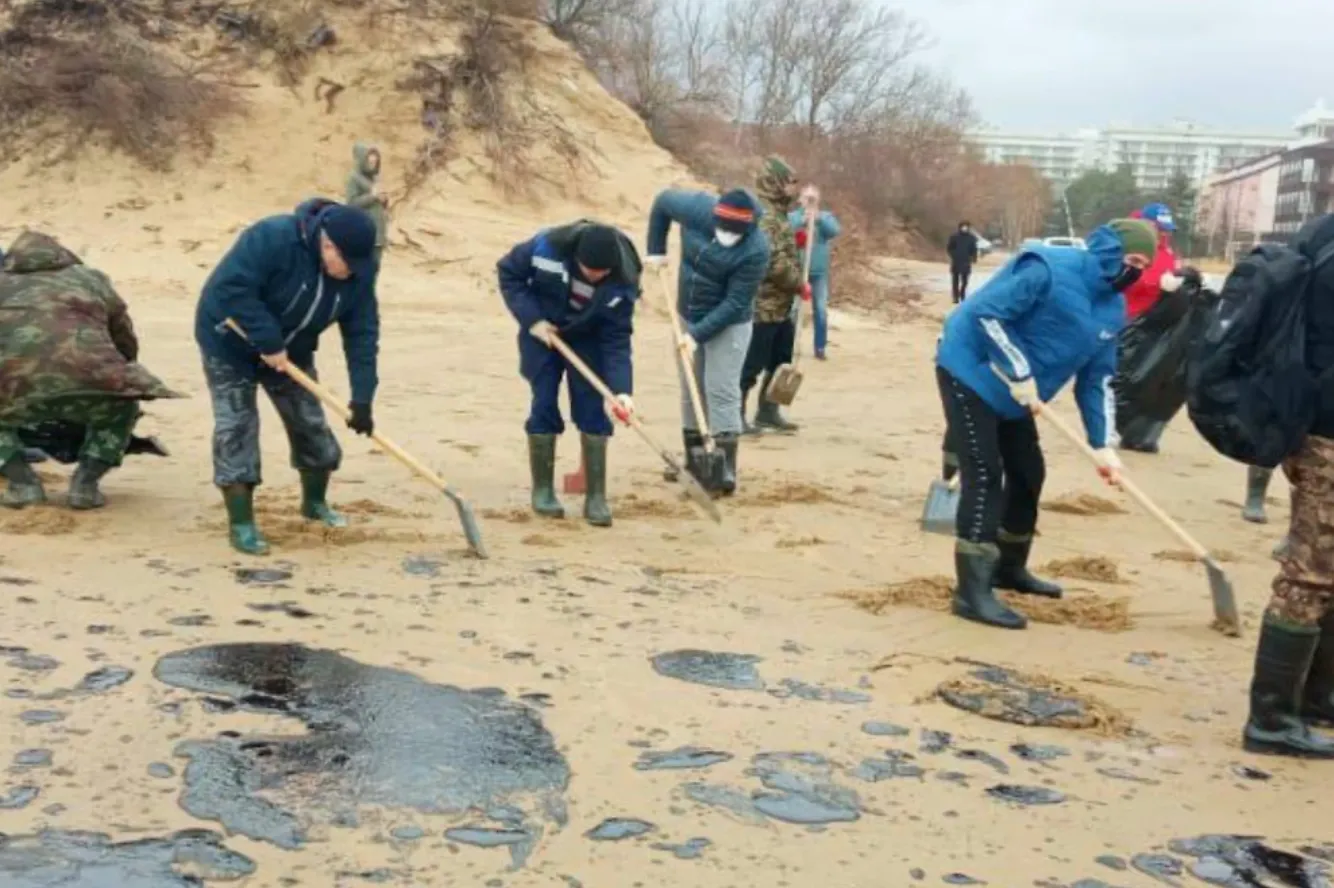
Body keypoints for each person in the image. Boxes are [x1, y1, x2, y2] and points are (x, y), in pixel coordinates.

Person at [934, 218, 1158, 630]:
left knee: (1029, 473)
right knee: (984, 474)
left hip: (1023, 394)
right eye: (1130, 258)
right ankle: (971, 592)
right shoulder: (1048, 268)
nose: (1134, 270)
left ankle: (1008, 568)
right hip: (969, 368)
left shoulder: (1113, 308)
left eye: (1143, 265)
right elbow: (987, 315)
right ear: (1108, 248)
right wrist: (1019, 371)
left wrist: (1103, 443)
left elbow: (1097, 378)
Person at [195, 199, 381, 556]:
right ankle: (242, 523)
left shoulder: (358, 274)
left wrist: (363, 398)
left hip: (292, 351)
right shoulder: (273, 237)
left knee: (310, 423)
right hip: (228, 340)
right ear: (328, 245)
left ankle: (314, 504)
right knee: (237, 426)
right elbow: (230, 288)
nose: (353, 273)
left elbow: (363, 335)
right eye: (348, 264)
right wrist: (267, 339)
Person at [1241, 212, 1334, 758]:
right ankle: (1272, 718)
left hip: (1309, 419)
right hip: (1327, 430)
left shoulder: (1320, 232)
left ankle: (1317, 698)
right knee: (1313, 571)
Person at [0, 231, 181, 509]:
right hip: (92, 383)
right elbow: (122, 333)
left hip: (16, 390)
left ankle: (23, 484)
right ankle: (85, 484)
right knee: (120, 410)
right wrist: (121, 373)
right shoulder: (91, 279)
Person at [497, 220, 640, 526]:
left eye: (602, 273)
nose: (596, 276)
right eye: (590, 270)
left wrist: (622, 392)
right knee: (544, 401)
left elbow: (617, 338)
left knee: (591, 408)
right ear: (576, 257)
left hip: (588, 338)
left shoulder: (624, 277)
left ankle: (596, 497)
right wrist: (532, 320)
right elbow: (509, 273)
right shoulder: (546, 246)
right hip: (543, 332)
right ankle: (544, 491)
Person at [646, 185, 769, 494]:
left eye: (735, 232)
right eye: (723, 229)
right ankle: (695, 463)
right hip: (688, 311)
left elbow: (735, 303)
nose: (727, 235)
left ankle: (722, 472)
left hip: (729, 322)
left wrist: (696, 336)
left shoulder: (756, 249)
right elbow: (661, 202)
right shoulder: (697, 208)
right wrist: (656, 250)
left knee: (721, 389)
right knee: (691, 388)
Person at [741, 156, 806, 436]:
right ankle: (735, 413)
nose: (794, 189)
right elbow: (772, 260)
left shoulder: (779, 215)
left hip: (781, 306)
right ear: (775, 182)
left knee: (781, 358)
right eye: (791, 182)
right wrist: (797, 282)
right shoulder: (765, 215)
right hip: (763, 304)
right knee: (752, 362)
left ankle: (768, 411)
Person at [789, 187, 841, 360]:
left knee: (820, 309)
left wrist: (818, 220)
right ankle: (788, 344)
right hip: (797, 270)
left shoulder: (825, 217)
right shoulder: (794, 216)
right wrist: (801, 222)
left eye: (813, 198)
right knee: (792, 310)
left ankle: (820, 347)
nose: (809, 201)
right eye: (806, 198)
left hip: (818, 273)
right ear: (800, 199)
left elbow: (834, 231)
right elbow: (786, 230)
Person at [1122, 202, 1182, 321]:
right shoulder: (1131, 245)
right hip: (1130, 316)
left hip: (1155, 318)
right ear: (1146, 225)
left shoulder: (1168, 251)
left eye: (1167, 229)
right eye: (1160, 229)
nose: (1164, 233)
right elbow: (1123, 283)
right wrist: (1158, 283)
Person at [345, 142, 388, 262]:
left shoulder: (375, 179)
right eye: (370, 162)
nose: (373, 166)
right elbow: (351, 203)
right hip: (363, 233)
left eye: (375, 163)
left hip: (378, 234)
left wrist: (383, 199)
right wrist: (373, 196)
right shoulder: (353, 178)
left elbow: (380, 204)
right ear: (362, 161)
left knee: (374, 270)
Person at [946, 221, 979, 304]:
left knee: (965, 280)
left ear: (968, 228)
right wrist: (953, 255)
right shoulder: (954, 237)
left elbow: (974, 249)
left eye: (966, 227)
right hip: (956, 261)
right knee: (955, 280)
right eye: (963, 226)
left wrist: (974, 258)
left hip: (966, 261)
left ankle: (962, 293)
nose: (964, 228)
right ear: (960, 227)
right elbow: (949, 248)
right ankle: (955, 297)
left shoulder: (971, 238)